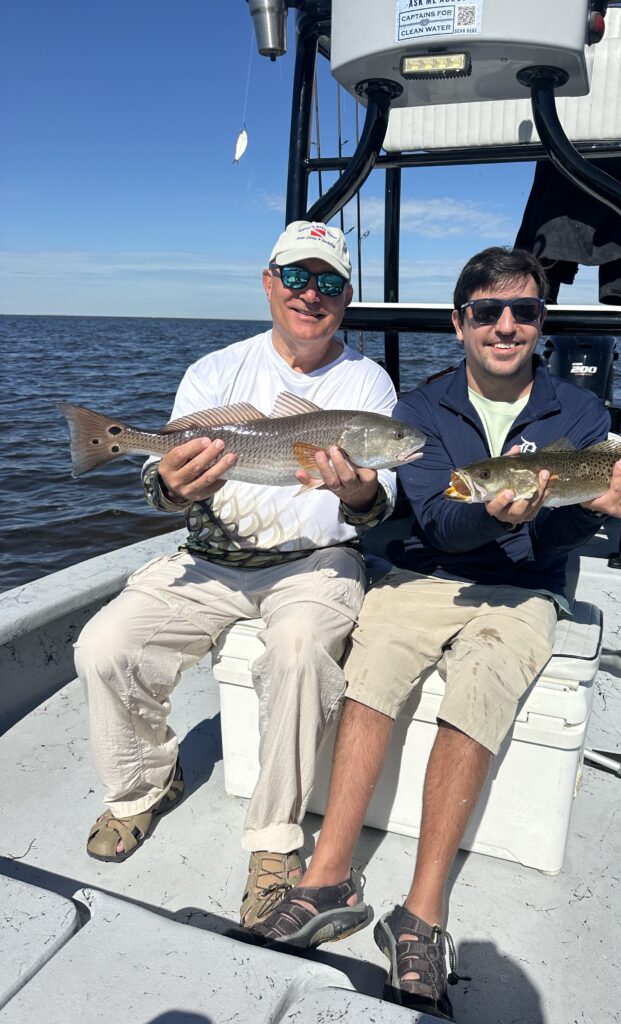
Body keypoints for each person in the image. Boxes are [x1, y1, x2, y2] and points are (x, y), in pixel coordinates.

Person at [249, 246, 621, 1020]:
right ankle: (328, 875)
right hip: (425, 573)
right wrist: (495, 514)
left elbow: (568, 537)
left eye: (525, 312)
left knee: (481, 685)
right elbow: (439, 520)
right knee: (374, 665)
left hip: (527, 589)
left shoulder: (581, 415)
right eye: (487, 313)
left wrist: (613, 503)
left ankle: (421, 914)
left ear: (542, 324)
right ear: (460, 323)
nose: (506, 327)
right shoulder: (421, 410)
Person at [74, 220, 399, 928]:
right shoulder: (215, 371)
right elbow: (161, 488)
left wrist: (357, 491)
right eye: (297, 277)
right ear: (268, 282)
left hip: (316, 564)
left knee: (298, 651)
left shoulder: (367, 382)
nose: (311, 295)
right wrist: (166, 478)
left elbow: (378, 508)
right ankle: (141, 791)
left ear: (347, 296)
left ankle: (276, 843)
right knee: (103, 645)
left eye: (330, 283)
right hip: (211, 556)